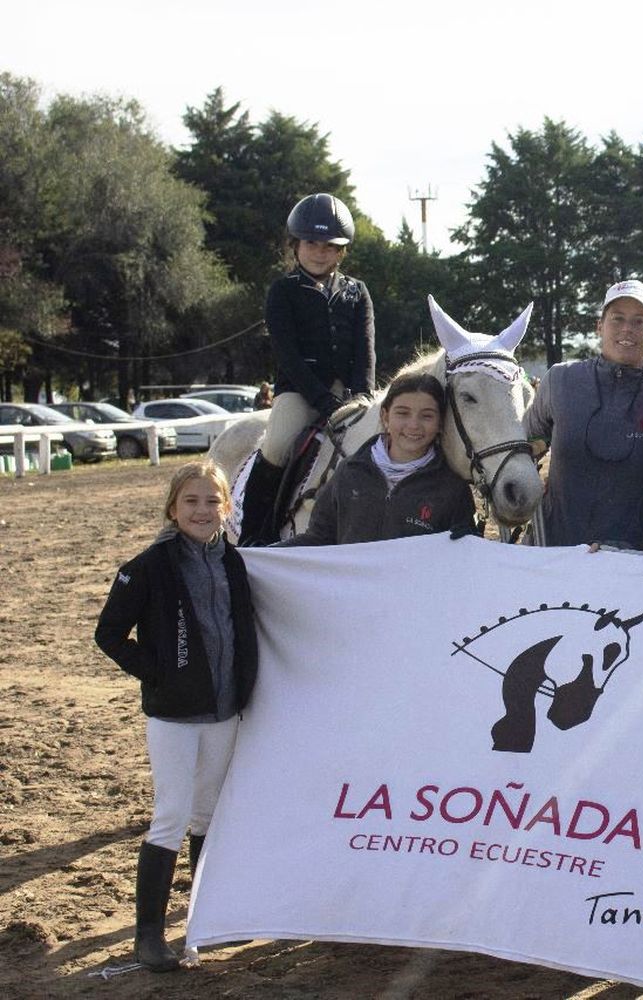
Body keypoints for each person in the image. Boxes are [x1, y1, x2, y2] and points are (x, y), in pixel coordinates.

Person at [94, 461, 259, 973]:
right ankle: (148, 936)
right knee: (171, 814)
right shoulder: (148, 566)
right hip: (173, 715)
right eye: (191, 501)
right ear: (173, 507)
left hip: (225, 710)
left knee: (209, 814)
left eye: (212, 502)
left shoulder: (234, 562)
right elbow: (109, 635)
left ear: (226, 509)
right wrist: (160, 673)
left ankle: (203, 920)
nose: (202, 511)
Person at [240, 193, 375, 546]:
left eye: (330, 246)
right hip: (300, 392)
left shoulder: (357, 292)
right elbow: (288, 356)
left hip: (348, 393)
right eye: (312, 243)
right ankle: (257, 533)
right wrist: (320, 399)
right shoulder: (282, 291)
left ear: (341, 251)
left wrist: (362, 396)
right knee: (278, 445)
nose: (320, 252)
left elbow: (365, 351)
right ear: (296, 245)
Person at [524, 280, 643, 549]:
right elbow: (524, 443)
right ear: (599, 326)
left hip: (626, 559)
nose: (627, 328)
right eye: (617, 319)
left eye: (639, 321)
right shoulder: (560, 379)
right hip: (550, 550)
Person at [280, 372, 477, 545]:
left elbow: (465, 566)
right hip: (350, 587)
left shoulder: (453, 491)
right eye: (402, 413)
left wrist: (470, 543)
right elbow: (319, 538)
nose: (414, 425)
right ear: (385, 416)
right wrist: (257, 558)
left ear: (440, 423)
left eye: (427, 416)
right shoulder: (349, 472)